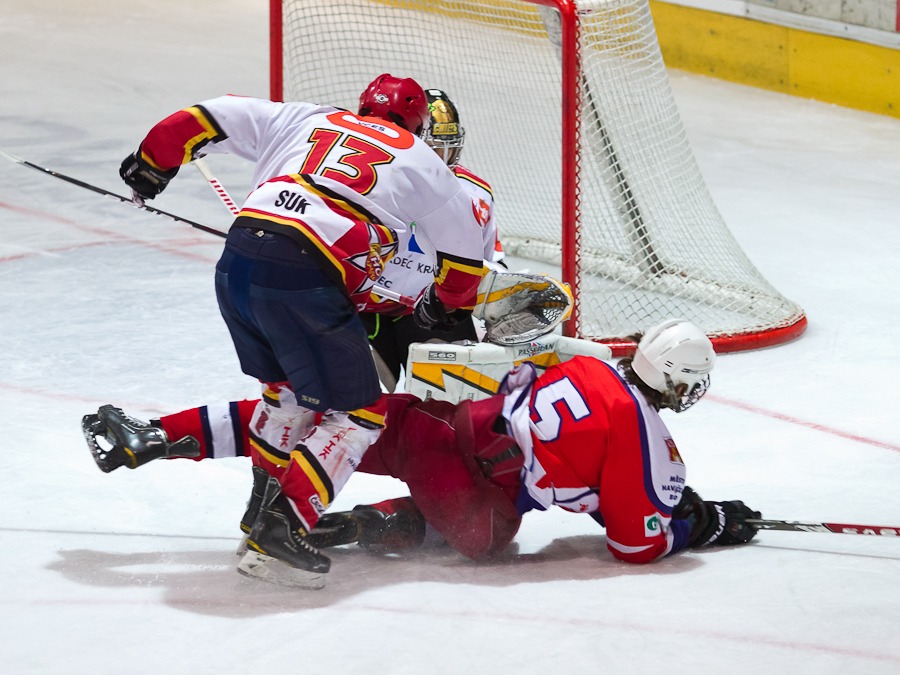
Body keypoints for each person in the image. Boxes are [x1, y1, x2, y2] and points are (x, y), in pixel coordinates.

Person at [115, 74, 486, 588]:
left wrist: (151, 166)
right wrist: (441, 310)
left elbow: (199, 118)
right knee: (359, 415)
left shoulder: (307, 117)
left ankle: (258, 522)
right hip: (309, 281)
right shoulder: (426, 164)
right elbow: (464, 270)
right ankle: (283, 530)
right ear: (417, 126)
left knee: (286, 396)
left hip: (238, 263)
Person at [84, 319, 761, 567]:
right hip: (471, 502)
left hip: (436, 427)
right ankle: (358, 526)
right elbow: (636, 543)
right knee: (489, 536)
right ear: (683, 386)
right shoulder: (650, 442)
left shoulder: (589, 364)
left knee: (318, 419)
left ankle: (156, 435)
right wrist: (696, 523)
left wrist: (657, 501)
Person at [362, 88, 503, 390]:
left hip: (430, 309)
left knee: (451, 396)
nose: (441, 161)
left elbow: (490, 261)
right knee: (359, 395)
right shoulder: (375, 179)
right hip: (364, 307)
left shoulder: (476, 192)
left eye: (447, 150)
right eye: (433, 150)